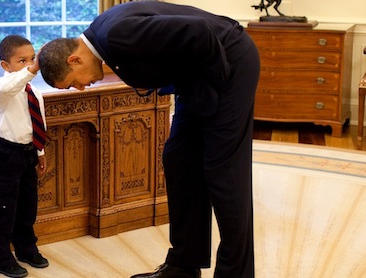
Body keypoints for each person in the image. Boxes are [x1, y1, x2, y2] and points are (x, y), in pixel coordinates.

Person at [38, 2, 259, 278]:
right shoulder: (103, 38)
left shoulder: (114, 34)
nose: (80, 88)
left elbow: (199, 31)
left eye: (73, 83)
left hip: (229, 62)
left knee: (224, 171)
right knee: (179, 158)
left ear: (74, 60)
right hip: (198, 74)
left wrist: (220, 85)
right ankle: (183, 265)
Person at [0, 35, 49, 278]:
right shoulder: (3, 88)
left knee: (27, 205)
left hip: (28, 153)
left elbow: (38, 122)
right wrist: (33, 69)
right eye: (21, 60)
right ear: (5, 66)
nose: (28, 64)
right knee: (3, 207)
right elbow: (10, 85)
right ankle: (2, 258)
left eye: (32, 59)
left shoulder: (34, 91)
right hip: (6, 154)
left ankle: (26, 248)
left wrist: (40, 152)